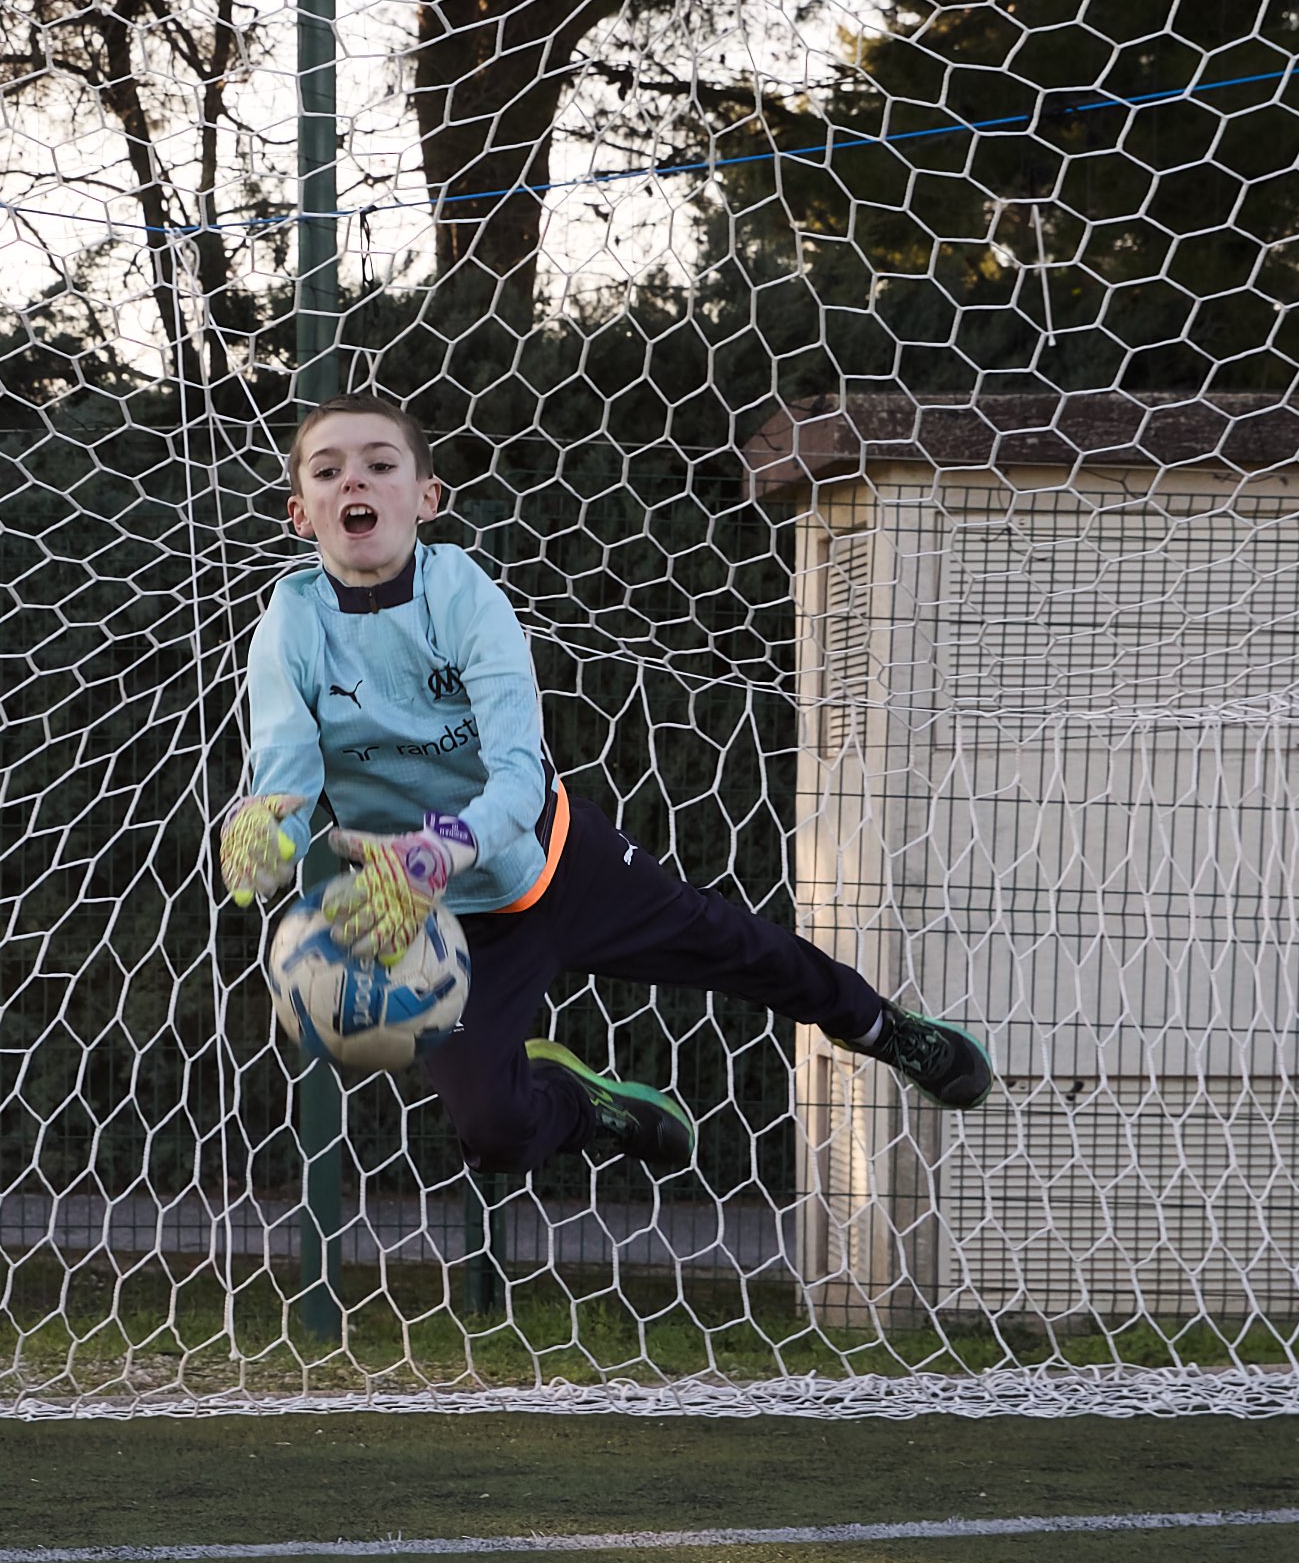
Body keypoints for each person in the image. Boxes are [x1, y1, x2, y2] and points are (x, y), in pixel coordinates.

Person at [219, 393, 993, 1176]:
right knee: (494, 1130)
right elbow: (285, 780)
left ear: (427, 497)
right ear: (300, 514)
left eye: (380, 464)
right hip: (439, 926)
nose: (355, 480)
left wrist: (438, 849)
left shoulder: (463, 597)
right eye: (328, 471)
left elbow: (519, 778)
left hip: (558, 863)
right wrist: (267, 839)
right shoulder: (290, 624)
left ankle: (880, 1028)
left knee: (742, 950)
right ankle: (586, 1105)